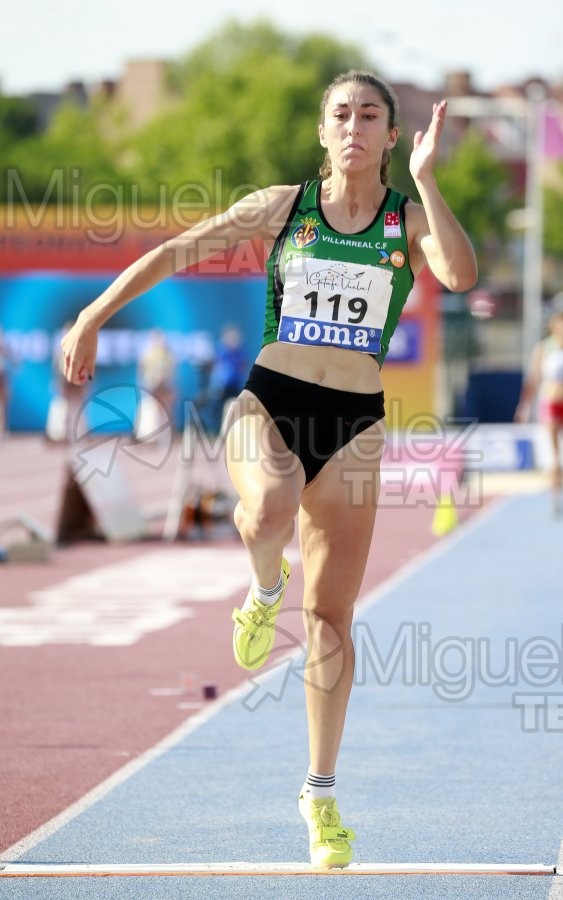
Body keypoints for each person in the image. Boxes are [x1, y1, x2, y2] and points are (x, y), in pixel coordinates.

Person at [61, 70, 477, 868]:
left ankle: (319, 796)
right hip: (268, 398)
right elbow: (178, 250)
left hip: (354, 424)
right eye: (340, 115)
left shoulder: (407, 219)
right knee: (268, 507)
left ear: (392, 137)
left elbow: (458, 276)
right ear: (323, 133)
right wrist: (92, 314)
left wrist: (427, 180)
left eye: (369, 117)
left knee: (328, 621)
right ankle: (260, 590)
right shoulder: (279, 207)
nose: (353, 126)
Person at [515, 310, 563, 515]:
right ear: (553, 327)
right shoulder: (544, 348)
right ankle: (555, 498)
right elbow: (533, 379)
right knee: (554, 455)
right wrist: (524, 407)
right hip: (551, 403)